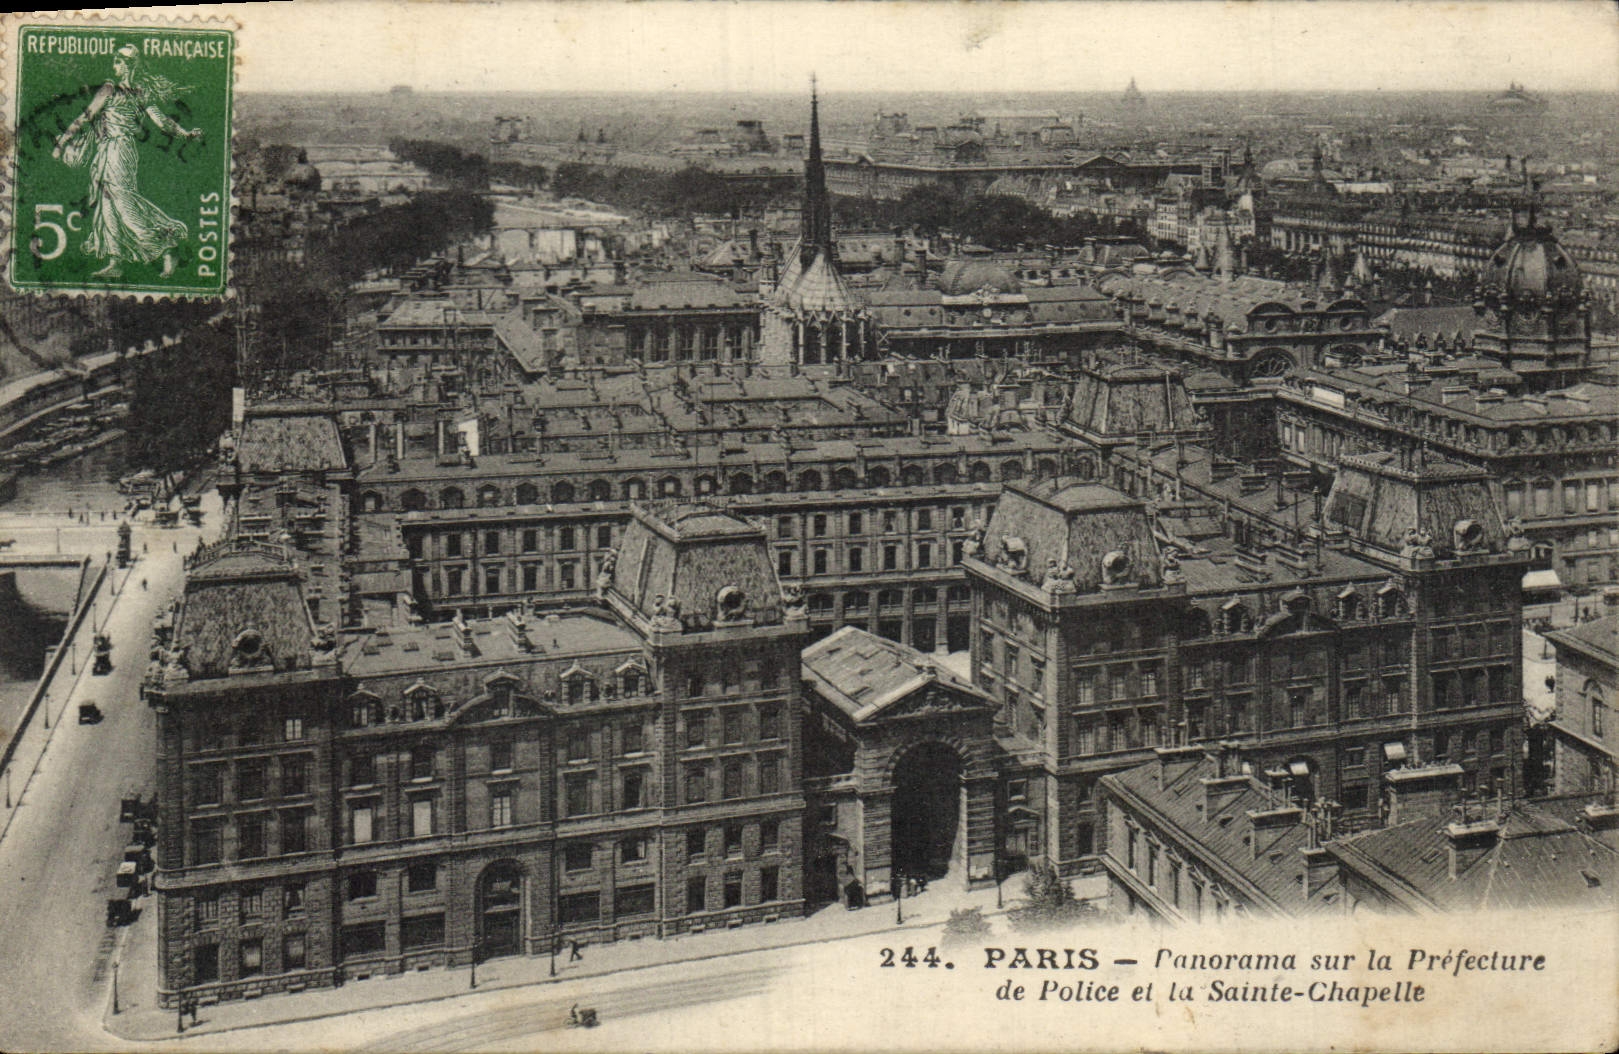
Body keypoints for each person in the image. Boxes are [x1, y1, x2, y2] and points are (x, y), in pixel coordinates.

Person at [50, 44, 201, 279]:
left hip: (118, 150)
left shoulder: (112, 89)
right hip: (114, 149)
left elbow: (86, 117)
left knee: (122, 202)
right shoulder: (138, 92)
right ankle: (115, 261)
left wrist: (62, 142)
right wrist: (185, 133)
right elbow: (162, 123)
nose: (114, 66)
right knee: (107, 203)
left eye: (118, 62)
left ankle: (166, 247)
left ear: (128, 65)